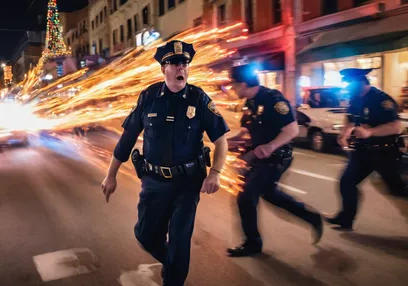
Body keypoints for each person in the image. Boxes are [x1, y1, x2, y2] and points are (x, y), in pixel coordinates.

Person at [101, 40, 229, 285]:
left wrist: (215, 172)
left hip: (187, 183)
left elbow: (221, 140)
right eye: (174, 63)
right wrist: (111, 175)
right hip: (154, 182)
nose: (181, 68)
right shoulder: (148, 97)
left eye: (185, 63)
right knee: (145, 235)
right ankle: (172, 265)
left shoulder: (199, 99)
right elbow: (127, 139)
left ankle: (173, 276)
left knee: (180, 240)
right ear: (163, 69)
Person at [224, 60, 323, 257]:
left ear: (243, 84)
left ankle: (253, 243)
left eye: (233, 84)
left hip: (277, 158)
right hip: (260, 160)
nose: (231, 88)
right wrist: (231, 141)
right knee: (271, 195)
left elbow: (292, 129)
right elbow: (247, 129)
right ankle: (311, 217)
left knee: (245, 197)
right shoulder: (250, 103)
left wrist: (270, 146)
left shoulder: (273, 99)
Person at [326, 68, 408, 231]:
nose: (347, 88)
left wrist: (370, 132)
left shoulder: (380, 100)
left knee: (398, 190)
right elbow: (351, 119)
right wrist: (344, 134)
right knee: (347, 182)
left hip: (384, 153)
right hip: (363, 152)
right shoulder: (355, 99)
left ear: (360, 82)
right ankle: (346, 219)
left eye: (349, 84)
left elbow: (395, 126)